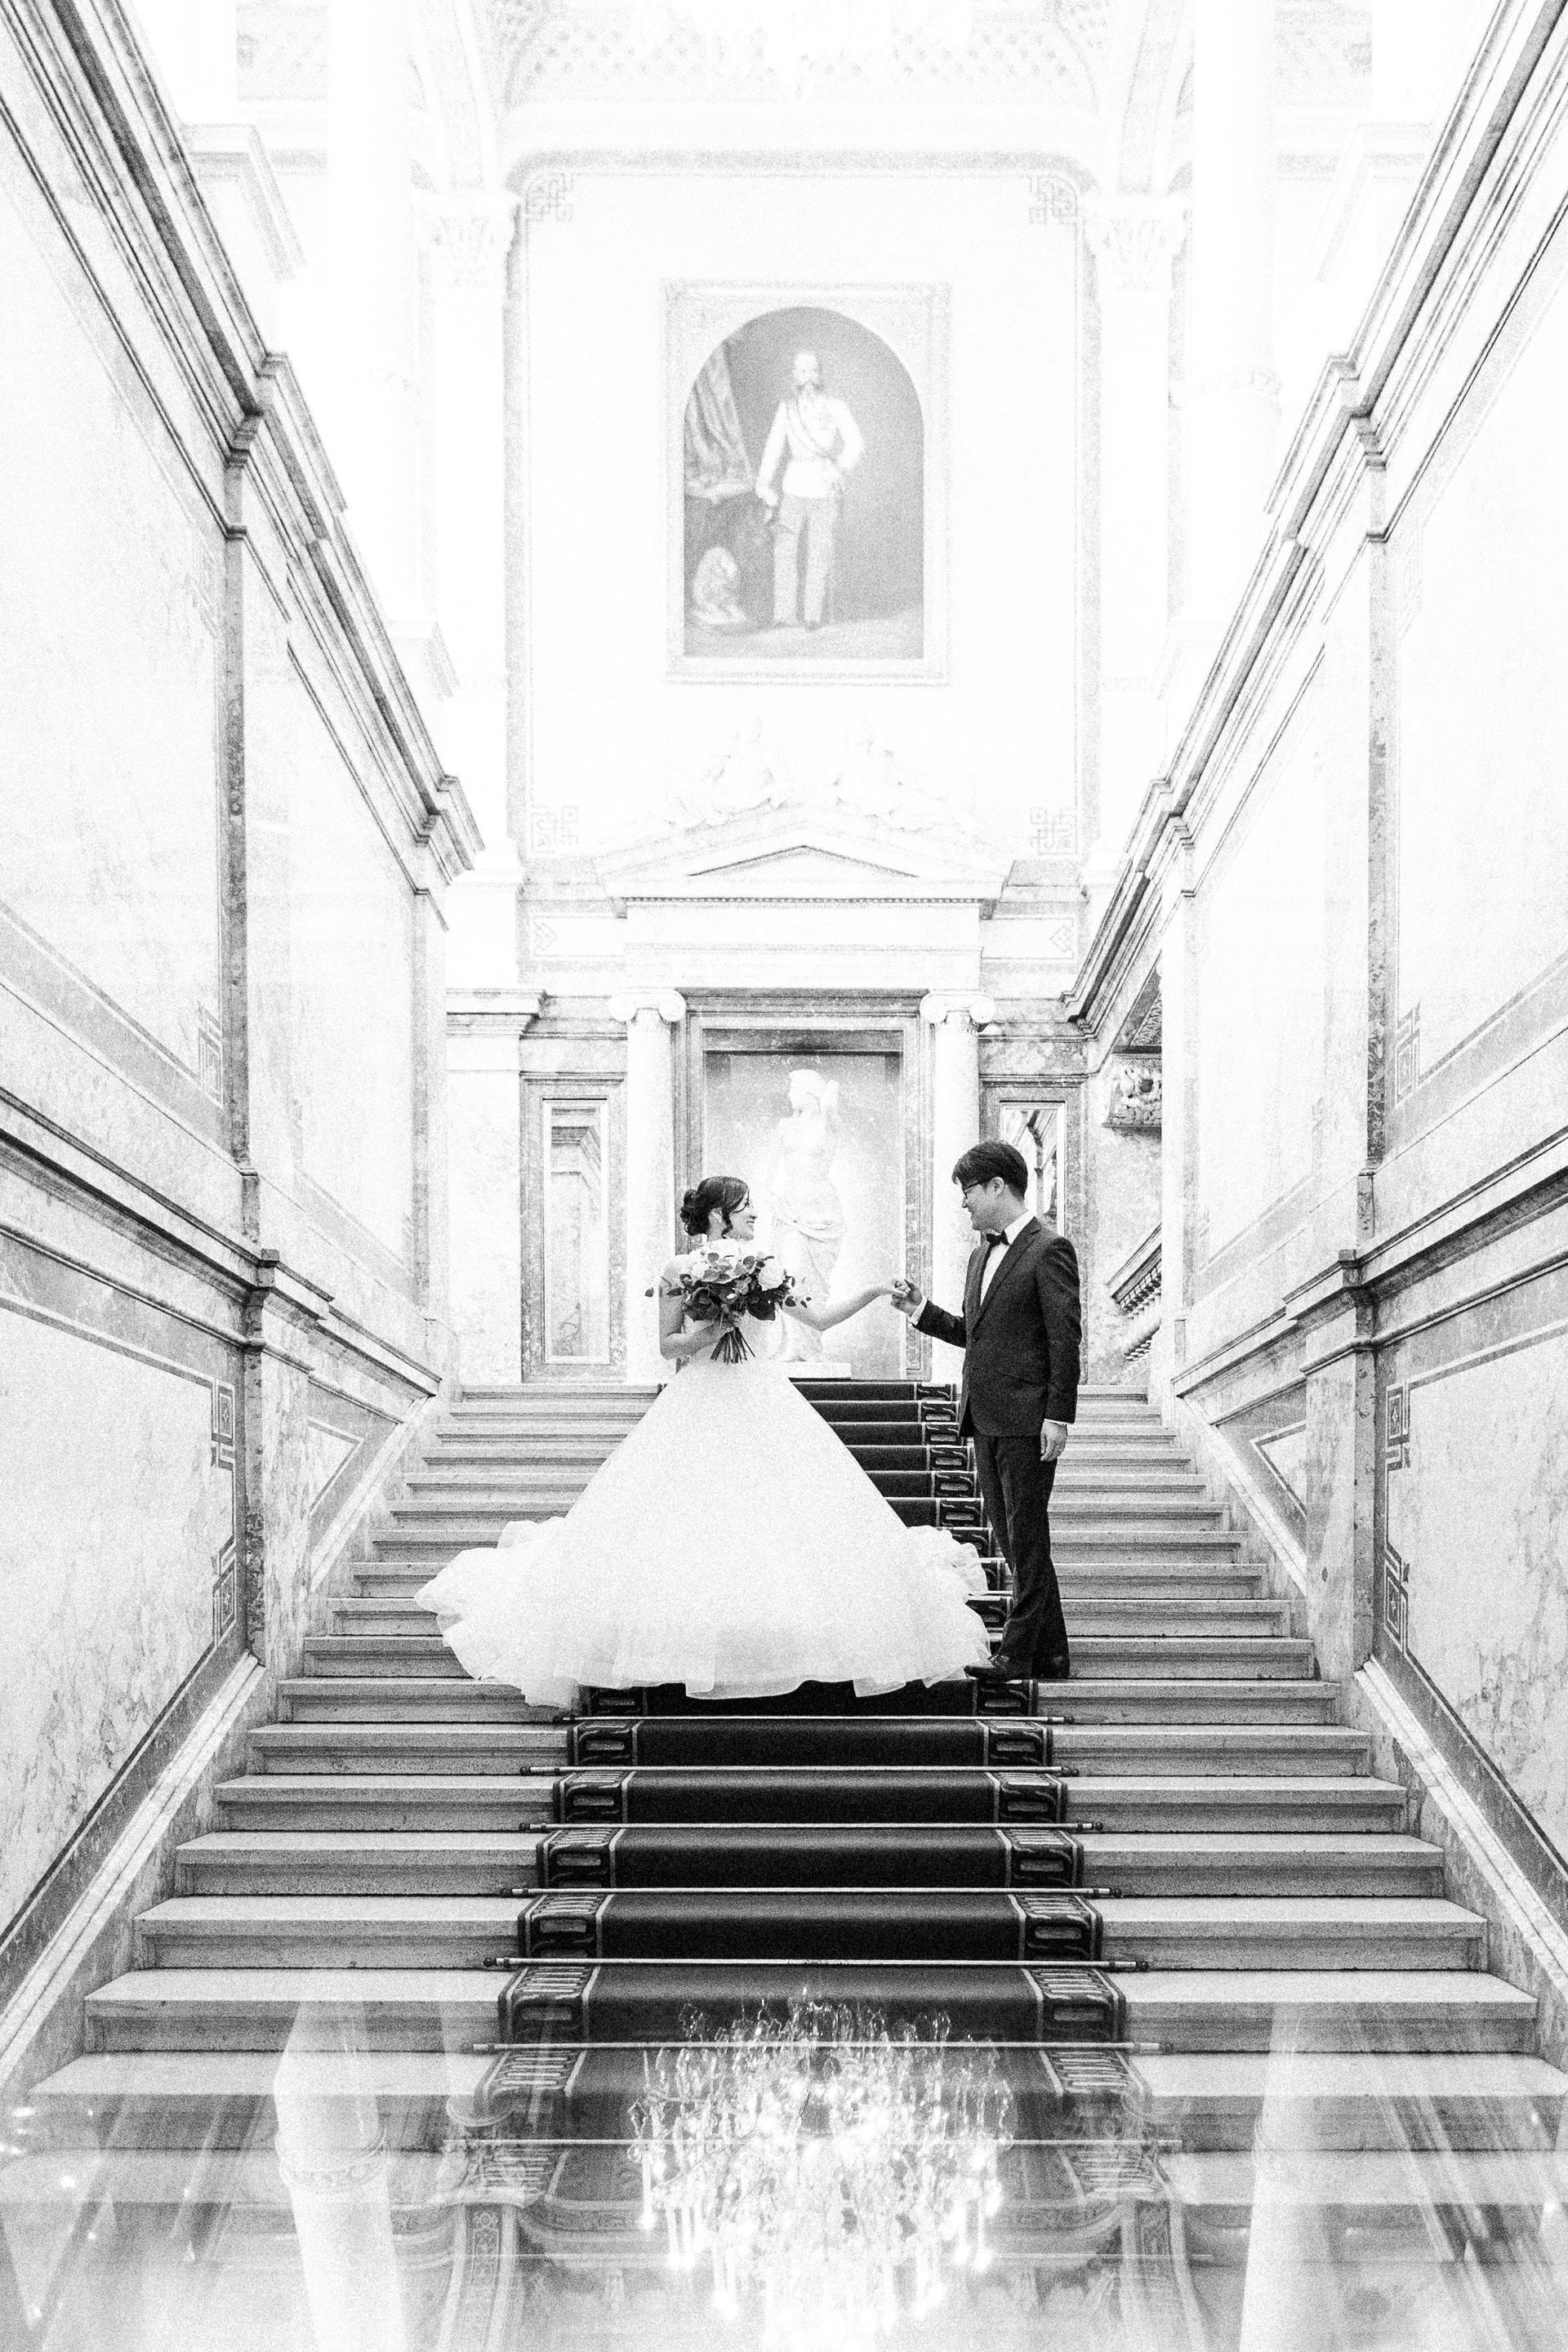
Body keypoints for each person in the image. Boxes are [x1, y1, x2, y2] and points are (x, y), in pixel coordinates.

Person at [417, 1175, 987, 1703]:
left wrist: (874, 1292)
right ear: (718, 1216)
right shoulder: (677, 1269)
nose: (755, 1216)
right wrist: (712, 1329)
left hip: (762, 1394)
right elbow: (667, 1345)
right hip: (700, 1393)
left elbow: (817, 1320)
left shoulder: (767, 1267)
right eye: (746, 1209)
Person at [890, 1139, 1081, 1684]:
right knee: (1014, 1537)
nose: (964, 1203)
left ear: (998, 1186)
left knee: (1026, 1537)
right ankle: (1052, 1653)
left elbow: (1065, 1339)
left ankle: (1017, 1654)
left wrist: (1058, 1415)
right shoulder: (980, 1256)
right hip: (986, 1416)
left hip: (1028, 1418)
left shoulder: (1050, 1248)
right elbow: (974, 1335)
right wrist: (921, 1310)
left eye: (968, 1191)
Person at [755, 351, 864, 632]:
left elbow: (855, 442)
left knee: (819, 551)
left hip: (824, 486)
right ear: (794, 376)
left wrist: (840, 468)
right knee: (785, 550)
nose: (808, 379)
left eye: (813, 371)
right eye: (802, 373)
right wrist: (764, 482)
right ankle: (784, 613)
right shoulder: (786, 409)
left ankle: (813, 614)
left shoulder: (836, 406)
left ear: (820, 374)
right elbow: (774, 447)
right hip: (793, 485)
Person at [766, 1071, 846, 1366]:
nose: (789, 1094)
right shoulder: (785, 1126)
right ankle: (793, 1346)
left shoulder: (829, 1124)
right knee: (791, 1275)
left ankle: (811, 1348)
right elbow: (771, 1167)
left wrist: (827, 1088)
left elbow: (831, 1103)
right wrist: (768, 1195)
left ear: (810, 1092)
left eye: (794, 1088)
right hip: (790, 1210)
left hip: (822, 1213)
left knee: (816, 1284)